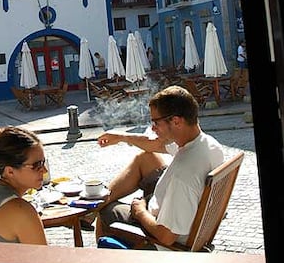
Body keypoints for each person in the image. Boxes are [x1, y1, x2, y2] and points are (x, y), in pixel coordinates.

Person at [95, 85, 224, 250]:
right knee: (145, 158)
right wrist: (121, 137)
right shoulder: (205, 143)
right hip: (177, 210)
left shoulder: (183, 176)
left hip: (163, 243)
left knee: (106, 210)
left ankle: (97, 214)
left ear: (176, 121)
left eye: (156, 122)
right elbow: (154, 145)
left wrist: (140, 212)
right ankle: (95, 205)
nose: (153, 128)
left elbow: (166, 236)